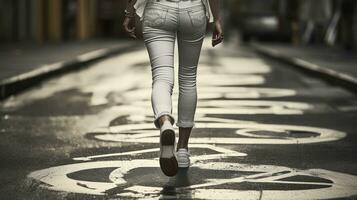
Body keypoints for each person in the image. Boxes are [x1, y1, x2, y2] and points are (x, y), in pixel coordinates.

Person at [123, 0, 223, 177]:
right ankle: (183, 149)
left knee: (161, 76)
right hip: (193, 11)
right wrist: (217, 19)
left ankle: (165, 121)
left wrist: (130, 13)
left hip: (158, 10)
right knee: (188, 79)